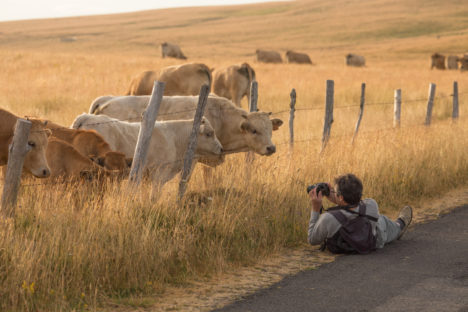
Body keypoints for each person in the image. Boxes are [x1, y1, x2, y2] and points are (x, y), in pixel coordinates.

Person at [308, 173, 413, 252]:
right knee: (382, 221)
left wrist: (315, 209)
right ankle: (400, 224)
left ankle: (399, 225)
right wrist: (336, 197)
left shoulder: (328, 219)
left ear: (340, 197)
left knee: (380, 220)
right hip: (374, 241)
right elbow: (353, 206)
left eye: (335, 192)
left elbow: (312, 239)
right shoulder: (371, 205)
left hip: (342, 246)